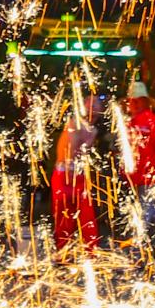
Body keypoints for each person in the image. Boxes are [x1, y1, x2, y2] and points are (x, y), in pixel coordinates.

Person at [121, 81, 155, 241]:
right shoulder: (129, 123)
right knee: (152, 218)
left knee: (144, 220)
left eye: (138, 100)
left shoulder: (154, 122)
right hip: (135, 180)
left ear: (145, 102)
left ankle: (142, 250)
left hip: (149, 180)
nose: (135, 104)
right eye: (132, 100)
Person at [50, 92, 102, 251]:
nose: (93, 108)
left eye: (96, 105)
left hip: (77, 176)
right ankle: (64, 252)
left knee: (86, 217)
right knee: (65, 218)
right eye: (90, 104)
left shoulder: (90, 128)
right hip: (65, 176)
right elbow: (69, 155)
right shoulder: (76, 124)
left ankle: (89, 252)